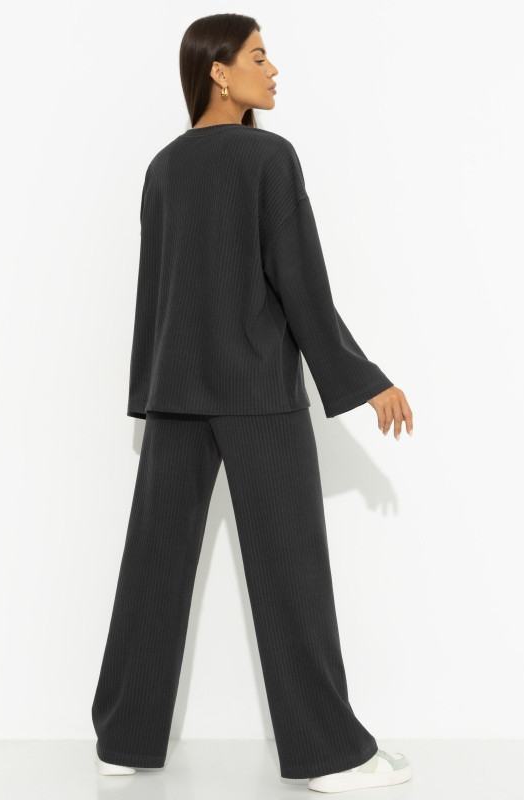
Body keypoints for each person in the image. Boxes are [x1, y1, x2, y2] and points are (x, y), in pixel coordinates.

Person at [91, 13, 414, 794]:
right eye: (259, 57)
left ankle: (122, 739)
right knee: (289, 573)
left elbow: (155, 292)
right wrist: (363, 377)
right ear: (218, 71)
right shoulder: (269, 157)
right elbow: (299, 281)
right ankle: (330, 756)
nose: (273, 71)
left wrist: (148, 390)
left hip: (175, 393)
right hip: (257, 393)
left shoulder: (163, 167)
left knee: (153, 569)